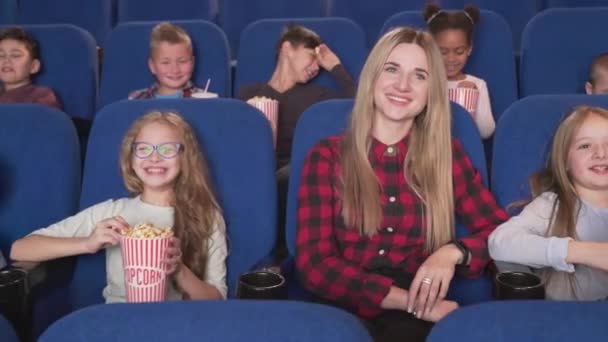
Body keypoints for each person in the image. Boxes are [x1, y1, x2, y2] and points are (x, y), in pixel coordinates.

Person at [295, 27, 508, 342]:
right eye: (392, 69)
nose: (403, 85)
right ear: (372, 79)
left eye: (419, 76)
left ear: (430, 92)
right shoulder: (327, 156)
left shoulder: (447, 156)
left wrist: (452, 253)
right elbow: (314, 264)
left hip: (411, 313)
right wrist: (410, 302)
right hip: (339, 305)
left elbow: (501, 232)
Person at [11, 111, 227, 302]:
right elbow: (20, 248)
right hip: (117, 321)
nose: (154, 157)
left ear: (185, 158)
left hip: (174, 324)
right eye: (143, 149)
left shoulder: (206, 216)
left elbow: (217, 299)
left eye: (167, 149)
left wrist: (179, 270)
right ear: (131, 160)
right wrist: (88, 243)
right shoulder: (113, 213)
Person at [239, 24, 356, 258]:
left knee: (286, 177)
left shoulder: (318, 95)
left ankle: (281, 255)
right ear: (287, 48)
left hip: (298, 168)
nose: (315, 67)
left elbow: (357, 104)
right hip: (257, 167)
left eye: (319, 64)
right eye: (312, 57)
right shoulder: (248, 94)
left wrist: (334, 66)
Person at [489, 106, 608, 301]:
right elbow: (499, 243)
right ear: (565, 161)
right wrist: (584, 252)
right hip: (562, 319)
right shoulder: (551, 206)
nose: (601, 154)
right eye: (585, 146)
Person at [423, 4, 494, 139]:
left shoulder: (477, 84)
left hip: (464, 150)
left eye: (459, 51)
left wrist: (472, 98)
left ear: (469, 49)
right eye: (443, 52)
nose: (451, 59)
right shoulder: (424, 81)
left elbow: (486, 132)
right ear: (431, 49)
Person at [129, 22, 212, 99]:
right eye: (165, 62)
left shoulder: (203, 99)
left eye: (182, 61)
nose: (175, 70)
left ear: (192, 62)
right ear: (152, 66)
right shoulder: (137, 98)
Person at [0, 26, 62, 110]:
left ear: (33, 66)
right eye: (1, 55)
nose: (6, 60)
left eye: (15, 55)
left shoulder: (41, 95)